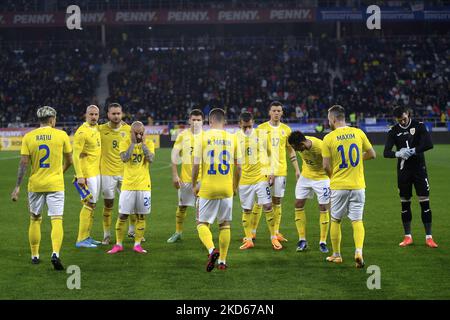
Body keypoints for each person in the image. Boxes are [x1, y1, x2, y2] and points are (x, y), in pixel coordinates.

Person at [10, 106, 72, 270]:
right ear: (52, 119)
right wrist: (59, 172)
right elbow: (70, 161)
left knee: (35, 219)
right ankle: (55, 253)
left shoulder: (29, 137)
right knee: (57, 219)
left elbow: (23, 164)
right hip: (55, 184)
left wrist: (17, 187)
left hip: (35, 185)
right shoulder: (62, 135)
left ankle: (35, 255)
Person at [322, 105, 376, 268]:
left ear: (332, 119)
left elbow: (325, 166)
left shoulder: (329, 138)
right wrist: (359, 158)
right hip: (358, 185)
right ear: (344, 117)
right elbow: (372, 154)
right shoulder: (358, 132)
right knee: (357, 220)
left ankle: (337, 255)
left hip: (339, 185)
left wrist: (334, 177)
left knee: (336, 220)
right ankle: (358, 251)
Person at [192, 108, 241, 271]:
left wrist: (193, 184)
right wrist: (235, 186)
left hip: (208, 188)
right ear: (224, 121)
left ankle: (212, 250)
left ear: (209, 121)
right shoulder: (233, 138)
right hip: (227, 188)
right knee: (225, 224)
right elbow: (239, 167)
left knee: (201, 223)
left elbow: (196, 165)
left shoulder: (202, 137)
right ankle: (223, 262)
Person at [383, 106, 437, 248]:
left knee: (424, 202)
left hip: (419, 170)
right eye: (399, 120)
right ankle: (408, 237)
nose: (402, 121)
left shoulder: (419, 126)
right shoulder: (393, 131)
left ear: (408, 114)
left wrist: (413, 151)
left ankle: (429, 237)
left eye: (404, 118)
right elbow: (386, 152)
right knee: (405, 203)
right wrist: (398, 153)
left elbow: (429, 144)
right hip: (404, 172)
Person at [257, 101, 301, 246]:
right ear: (269, 112)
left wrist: (297, 169)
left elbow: (291, 150)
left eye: (279, 111)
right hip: (264, 171)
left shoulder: (286, 130)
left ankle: (275, 233)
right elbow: (260, 152)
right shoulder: (261, 129)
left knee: (277, 201)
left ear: (282, 113)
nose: (276, 113)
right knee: (261, 202)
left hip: (281, 170)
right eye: (274, 110)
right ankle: (251, 233)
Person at [108, 121, 155, 254]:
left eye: (141, 133)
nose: (139, 135)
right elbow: (124, 158)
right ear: (131, 133)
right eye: (136, 133)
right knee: (122, 215)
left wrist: (142, 144)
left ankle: (137, 244)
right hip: (128, 185)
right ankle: (118, 244)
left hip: (144, 186)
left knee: (141, 216)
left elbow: (150, 159)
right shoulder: (124, 142)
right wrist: (133, 143)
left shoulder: (149, 143)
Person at [235, 112, 277, 250]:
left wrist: (271, 172)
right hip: (244, 180)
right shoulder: (235, 138)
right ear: (239, 124)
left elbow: (271, 154)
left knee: (268, 206)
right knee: (246, 209)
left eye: (249, 126)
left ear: (253, 122)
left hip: (260, 177)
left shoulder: (261, 135)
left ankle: (273, 238)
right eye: (244, 126)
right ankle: (248, 239)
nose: (247, 129)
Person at [288, 131, 330, 253]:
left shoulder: (321, 147)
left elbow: (331, 163)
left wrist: (333, 179)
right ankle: (302, 240)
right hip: (306, 176)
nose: (296, 151)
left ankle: (323, 242)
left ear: (302, 143)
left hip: (322, 178)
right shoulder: (302, 144)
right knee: (298, 204)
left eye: (296, 148)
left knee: (323, 207)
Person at [167, 109, 204, 243]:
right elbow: (174, 156)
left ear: (202, 121)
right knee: (182, 206)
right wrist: (175, 175)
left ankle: (203, 233)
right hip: (185, 179)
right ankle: (178, 232)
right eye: (193, 119)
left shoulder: (206, 136)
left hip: (202, 180)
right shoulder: (182, 135)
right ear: (189, 120)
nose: (196, 122)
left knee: (202, 208)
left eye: (198, 120)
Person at [98, 103, 132, 245]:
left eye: (118, 113)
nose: (116, 116)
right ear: (108, 114)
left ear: (122, 113)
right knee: (108, 204)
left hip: (125, 173)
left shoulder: (129, 130)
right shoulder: (100, 130)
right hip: (107, 173)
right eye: (113, 113)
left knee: (130, 204)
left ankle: (132, 231)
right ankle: (106, 234)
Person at [73, 105, 102, 248]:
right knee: (88, 204)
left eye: (96, 114)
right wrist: (80, 176)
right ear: (86, 115)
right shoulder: (81, 132)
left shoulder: (97, 128)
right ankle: (81, 239)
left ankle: (87, 236)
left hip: (96, 173)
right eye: (91, 114)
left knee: (93, 205)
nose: (94, 117)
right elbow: (75, 155)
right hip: (86, 174)